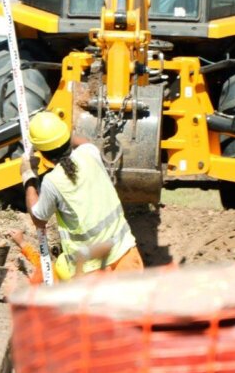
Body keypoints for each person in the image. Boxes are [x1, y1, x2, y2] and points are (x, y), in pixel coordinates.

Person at [20, 112, 144, 279]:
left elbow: (38, 219)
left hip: (91, 270)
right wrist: (62, 135)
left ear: (42, 153)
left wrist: (28, 177)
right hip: (125, 254)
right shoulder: (89, 152)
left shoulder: (53, 182)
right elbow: (83, 142)